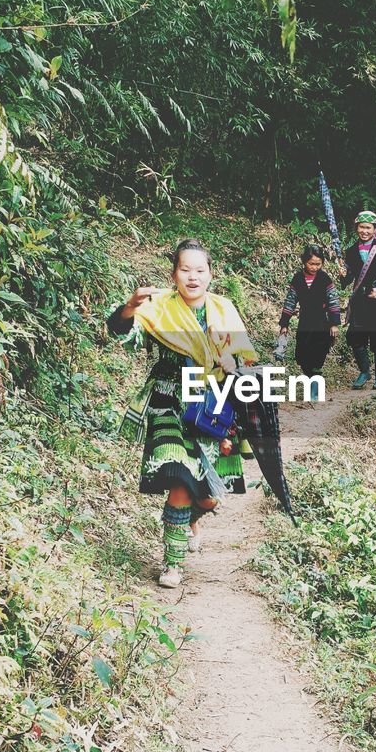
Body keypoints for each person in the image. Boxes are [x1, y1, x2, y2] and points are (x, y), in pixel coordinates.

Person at [107, 239, 258, 589]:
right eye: (185, 269)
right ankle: (172, 564)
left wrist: (232, 365)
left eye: (199, 270)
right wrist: (130, 306)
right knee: (178, 478)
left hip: (212, 404)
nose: (192, 276)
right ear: (174, 274)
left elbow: (244, 360)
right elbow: (121, 334)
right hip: (168, 399)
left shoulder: (224, 310)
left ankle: (192, 517)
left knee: (207, 495)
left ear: (211, 274)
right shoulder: (159, 308)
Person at [274, 244, 341, 400]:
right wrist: (284, 324)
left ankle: (314, 391)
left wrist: (334, 323)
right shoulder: (297, 279)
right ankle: (311, 381)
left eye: (318, 264)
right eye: (311, 263)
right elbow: (290, 302)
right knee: (303, 356)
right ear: (304, 262)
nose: (315, 267)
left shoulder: (324, 279)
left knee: (317, 356)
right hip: (305, 322)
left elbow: (333, 301)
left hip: (322, 323)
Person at [342, 210, 376, 389]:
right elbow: (349, 277)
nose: (364, 231)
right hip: (360, 301)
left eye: (368, 227)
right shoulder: (350, 251)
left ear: (375, 229)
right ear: (356, 228)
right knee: (356, 337)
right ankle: (364, 371)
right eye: (361, 227)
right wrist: (344, 274)